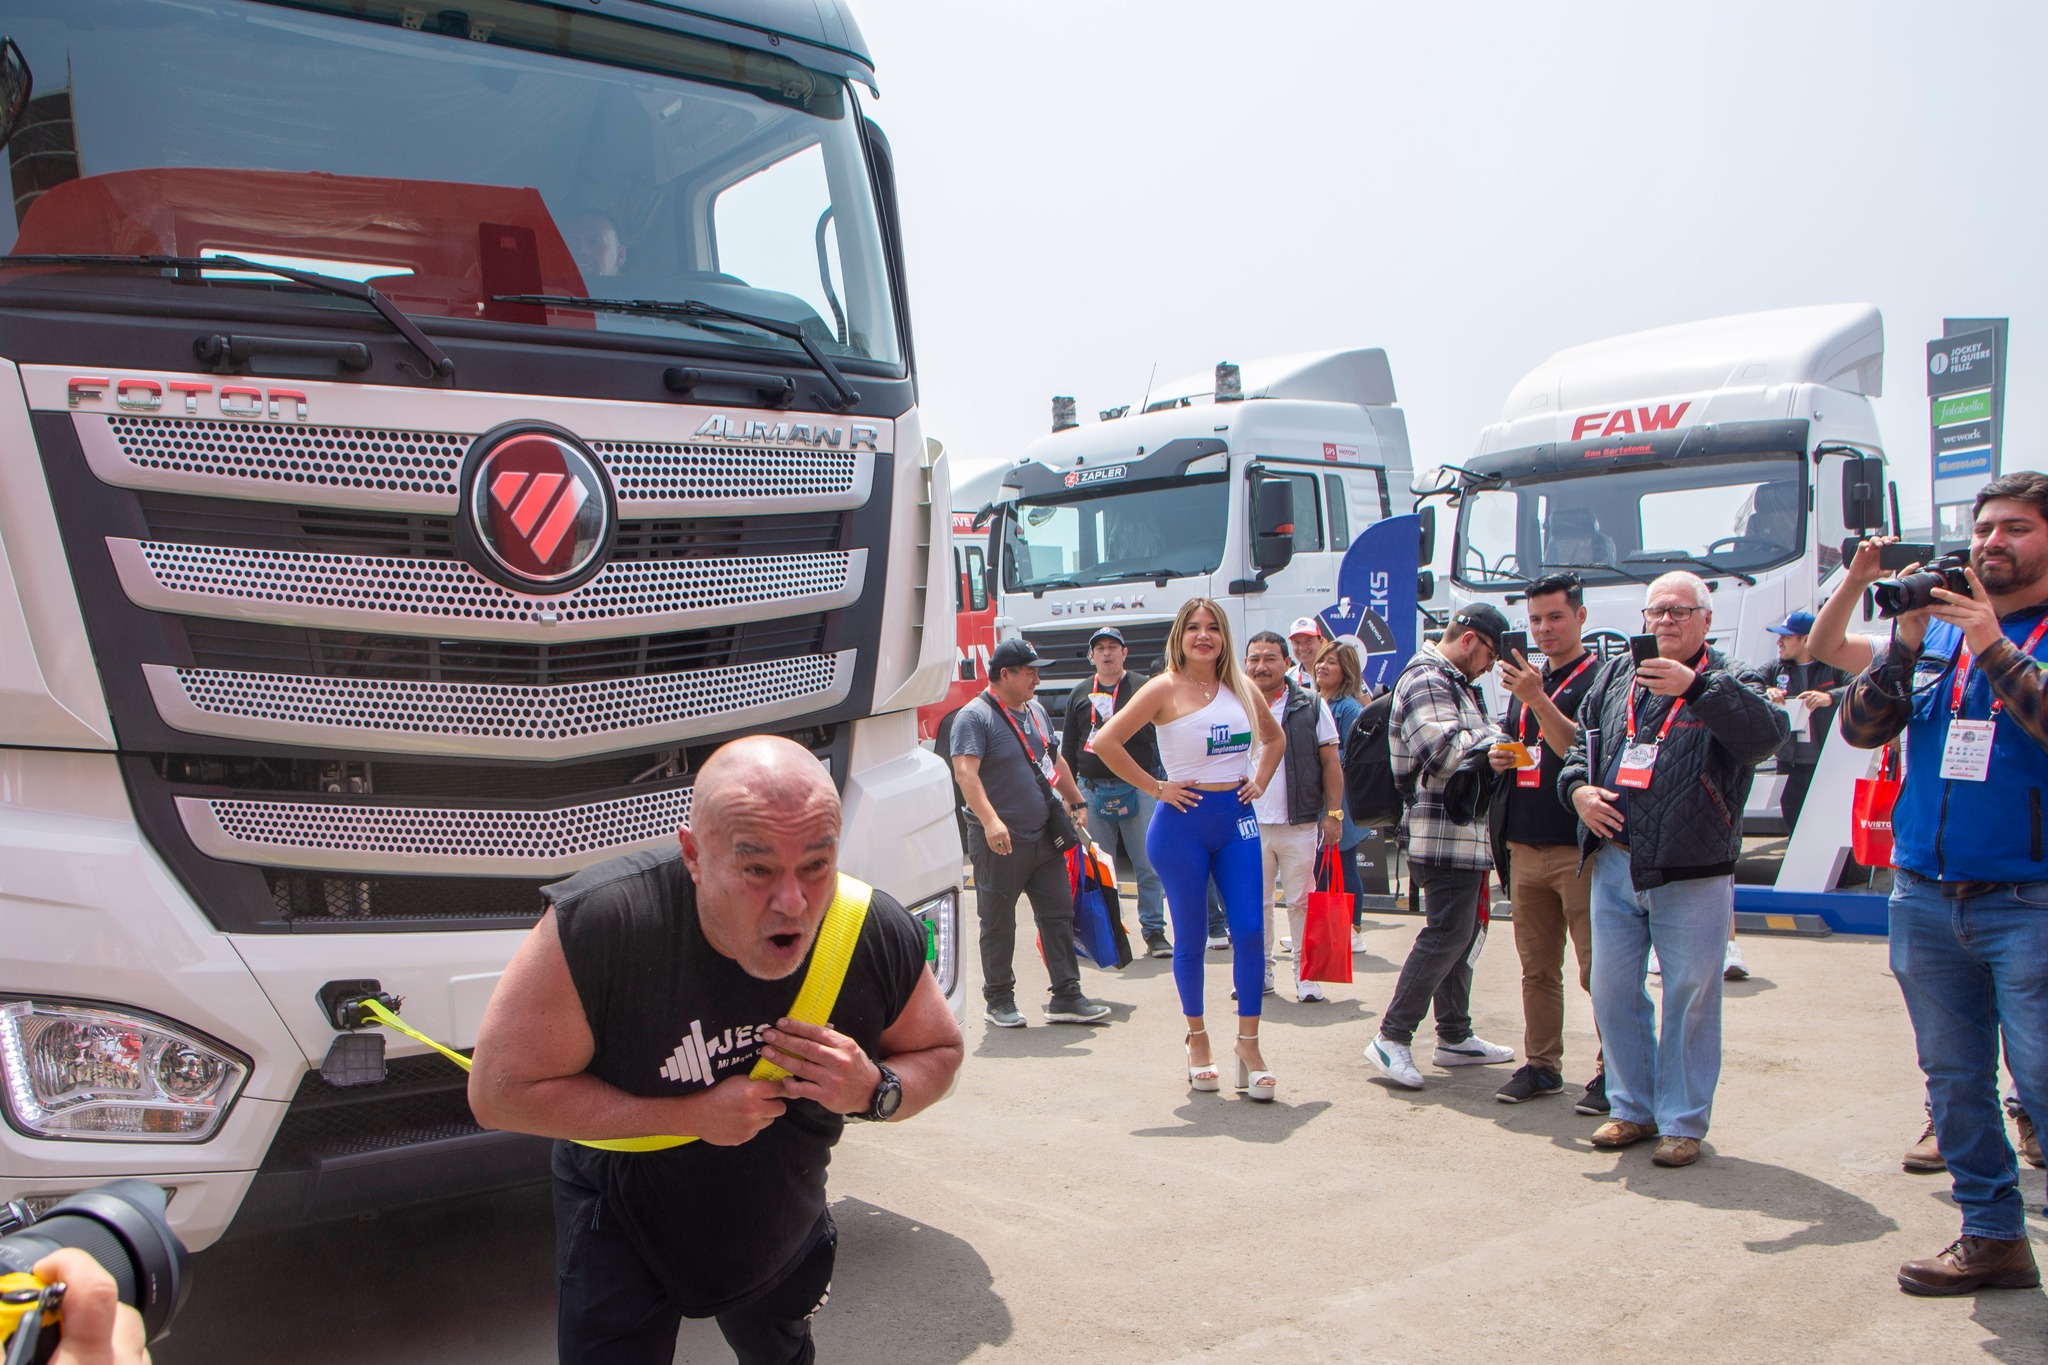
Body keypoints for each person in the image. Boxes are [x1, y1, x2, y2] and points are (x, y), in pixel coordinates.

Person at [466, 736, 965, 1365]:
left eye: (816, 864)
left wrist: (876, 1091)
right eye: (757, 869)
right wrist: (690, 1117)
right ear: (693, 855)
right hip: (621, 1220)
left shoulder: (865, 928)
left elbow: (941, 1049)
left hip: (778, 1222)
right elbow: (499, 1094)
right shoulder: (603, 925)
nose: (794, 902)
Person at [1838, 471, 2048, 1296]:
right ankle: (1994, 1234)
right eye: (1984, 527)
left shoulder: (2001, 636)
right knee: (1954, 1082)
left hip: (2030, 900)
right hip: (1924, 895)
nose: (1992, 540)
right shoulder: (1944, 637)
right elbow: (1860, 729)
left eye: (2016, 527)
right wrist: (1902, 645)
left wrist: (1994, 640)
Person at [1559, 572, 1786, 1168]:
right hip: (1616, 859)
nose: (1665, 622)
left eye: (1680, 612)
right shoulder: (1615, 676)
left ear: (1705, 621)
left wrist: (1699, 689)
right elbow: (1581, 748)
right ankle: (1631, 1108)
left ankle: (1683, 1121)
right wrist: (1580, 791)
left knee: (1690, 995)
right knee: (1611, 989)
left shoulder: (1732, 677)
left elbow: (1764, 738)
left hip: (1692, 866)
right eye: (1656, 611)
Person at [1091, 598, 1285, 1099]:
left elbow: (1275, 739)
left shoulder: (1241, 687)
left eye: (1214, 628)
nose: (1205, 636)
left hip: (1237, 820)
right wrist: (1157, 788)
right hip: (1181, 826)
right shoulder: (1162, 688)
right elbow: (1107, 742)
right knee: (1192, 938)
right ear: (1179, 636)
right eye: (1194, 628)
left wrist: (1259, 781)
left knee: (1248, 930)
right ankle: (1197, 1039)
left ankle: (1249, 1044)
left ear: (1225, 637)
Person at [1366, 605, 1519, 1090]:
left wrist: (1489, 741)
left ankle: (1454, 1034)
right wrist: (1497, 740)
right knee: (1447, 933)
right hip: (1439, 832)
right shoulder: (1428, 678)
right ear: (1470, 640)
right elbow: (1443, 750)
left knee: (1465, 932)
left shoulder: (1454, 682)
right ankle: (1392, 1037)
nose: (1491, 668)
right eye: (1491, 655)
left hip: (1463, 832)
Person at [1484, 573, 1604, 1109]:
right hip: (1525, 844)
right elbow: (1531, 749)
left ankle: (1614, 1069)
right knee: (1537, 968)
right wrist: (1501, 754)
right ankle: (1542, 1065)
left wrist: (1535, 696)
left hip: (1576, 847)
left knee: (1598, 968)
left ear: (1580, 617)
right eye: (1536, 620)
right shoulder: (1525, 682)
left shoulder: (1601, 679)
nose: (1545, 628)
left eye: (1555, 617)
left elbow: (1581, 748)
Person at [951, 638, 1111, 1027]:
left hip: (1044, 836)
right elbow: (965, 773)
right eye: (1029, 671)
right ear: (1005, 674)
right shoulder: (974, 717)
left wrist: (1075, 801)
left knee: (1058, 914)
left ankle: (1067, 995)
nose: (1037, 678)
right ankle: (1000, 1000)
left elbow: (1053, 759)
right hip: (1000, 842)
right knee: (998, 921)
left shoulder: (1036, 711)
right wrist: (991, 821)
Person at [1243, 631, 1344, 1002]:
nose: (1261, 666)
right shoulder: (1235, 704)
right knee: (1256, 902)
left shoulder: (1312, 704)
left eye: (1270, 658)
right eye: (1254, 659)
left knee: (1301, 901)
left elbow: (1331, 762)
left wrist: (1333, 815)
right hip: (1248, 825)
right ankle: (1260, 974)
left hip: (1298, 823)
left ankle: (1306, 975)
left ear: (1287, 663)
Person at [1060, 626, 1171, 958]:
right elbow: (1068, 748)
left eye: (1113, 647)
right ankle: (1108, 932)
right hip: (1093, 791)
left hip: (1139, 788)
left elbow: (1162, 738)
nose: (1106, 653)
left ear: (1125, 653)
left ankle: (1154, 932)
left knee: (1148, 864)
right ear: (1092, 656)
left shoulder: (1143, 688)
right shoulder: (1079, 693)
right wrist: (1071, 795)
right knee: (1099, 868)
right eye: (1100, 648)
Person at [1763, 609, 1852, 834]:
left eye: (1786, 636)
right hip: (1790, 766)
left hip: (1828, 765)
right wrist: (1767, 691)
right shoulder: (1775, 668)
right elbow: (1746, 685)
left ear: (1806, 640)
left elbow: (1860, 685)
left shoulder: (1834, 664)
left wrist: (1830, 697)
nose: (1779, 642)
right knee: (1797, 829)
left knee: (1831, 829)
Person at [1313, 641, 1371, 952]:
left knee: (1344, 863)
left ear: (1346, 670)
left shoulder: (1349, 708)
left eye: (1331, 662)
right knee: (1319, 865)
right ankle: (1324, 927)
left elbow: (1353, 755)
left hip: (1340, 799)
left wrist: (1324, 757)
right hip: (1316, 796)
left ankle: (1352, 928)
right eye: (1321, 661)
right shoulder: (1313, 701)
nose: (1322, 666)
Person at [566, 209, 627, 280]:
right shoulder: (553, 289)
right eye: (573, 243)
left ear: (620, 255)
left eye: (594, 242)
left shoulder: (638, 291)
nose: (581, 251)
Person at [1287, 616, 1327, 689]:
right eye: (1297, 642)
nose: (1303, 648)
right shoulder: (1288, 677)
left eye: (1308, 641)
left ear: (1320, 642)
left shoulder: (1333, 673)